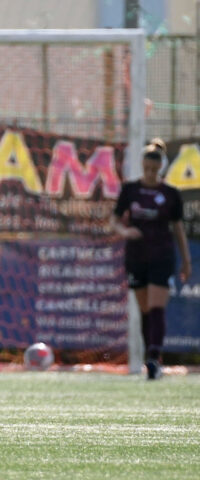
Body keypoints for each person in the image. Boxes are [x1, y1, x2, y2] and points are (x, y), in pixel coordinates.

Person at [111, 138, 191, 380]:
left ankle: (154, 360)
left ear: (161, 169)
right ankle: (151, 356)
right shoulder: (130, 190)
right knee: (145, 309)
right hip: (136, 256)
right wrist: (125, 231)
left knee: (157, 307)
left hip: (161, 255)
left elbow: (178, 228)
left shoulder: (170, 194)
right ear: (142, 165)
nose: (149, 173)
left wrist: (186, 261)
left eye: (154, 170)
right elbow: (114, 219)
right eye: (146, 169)